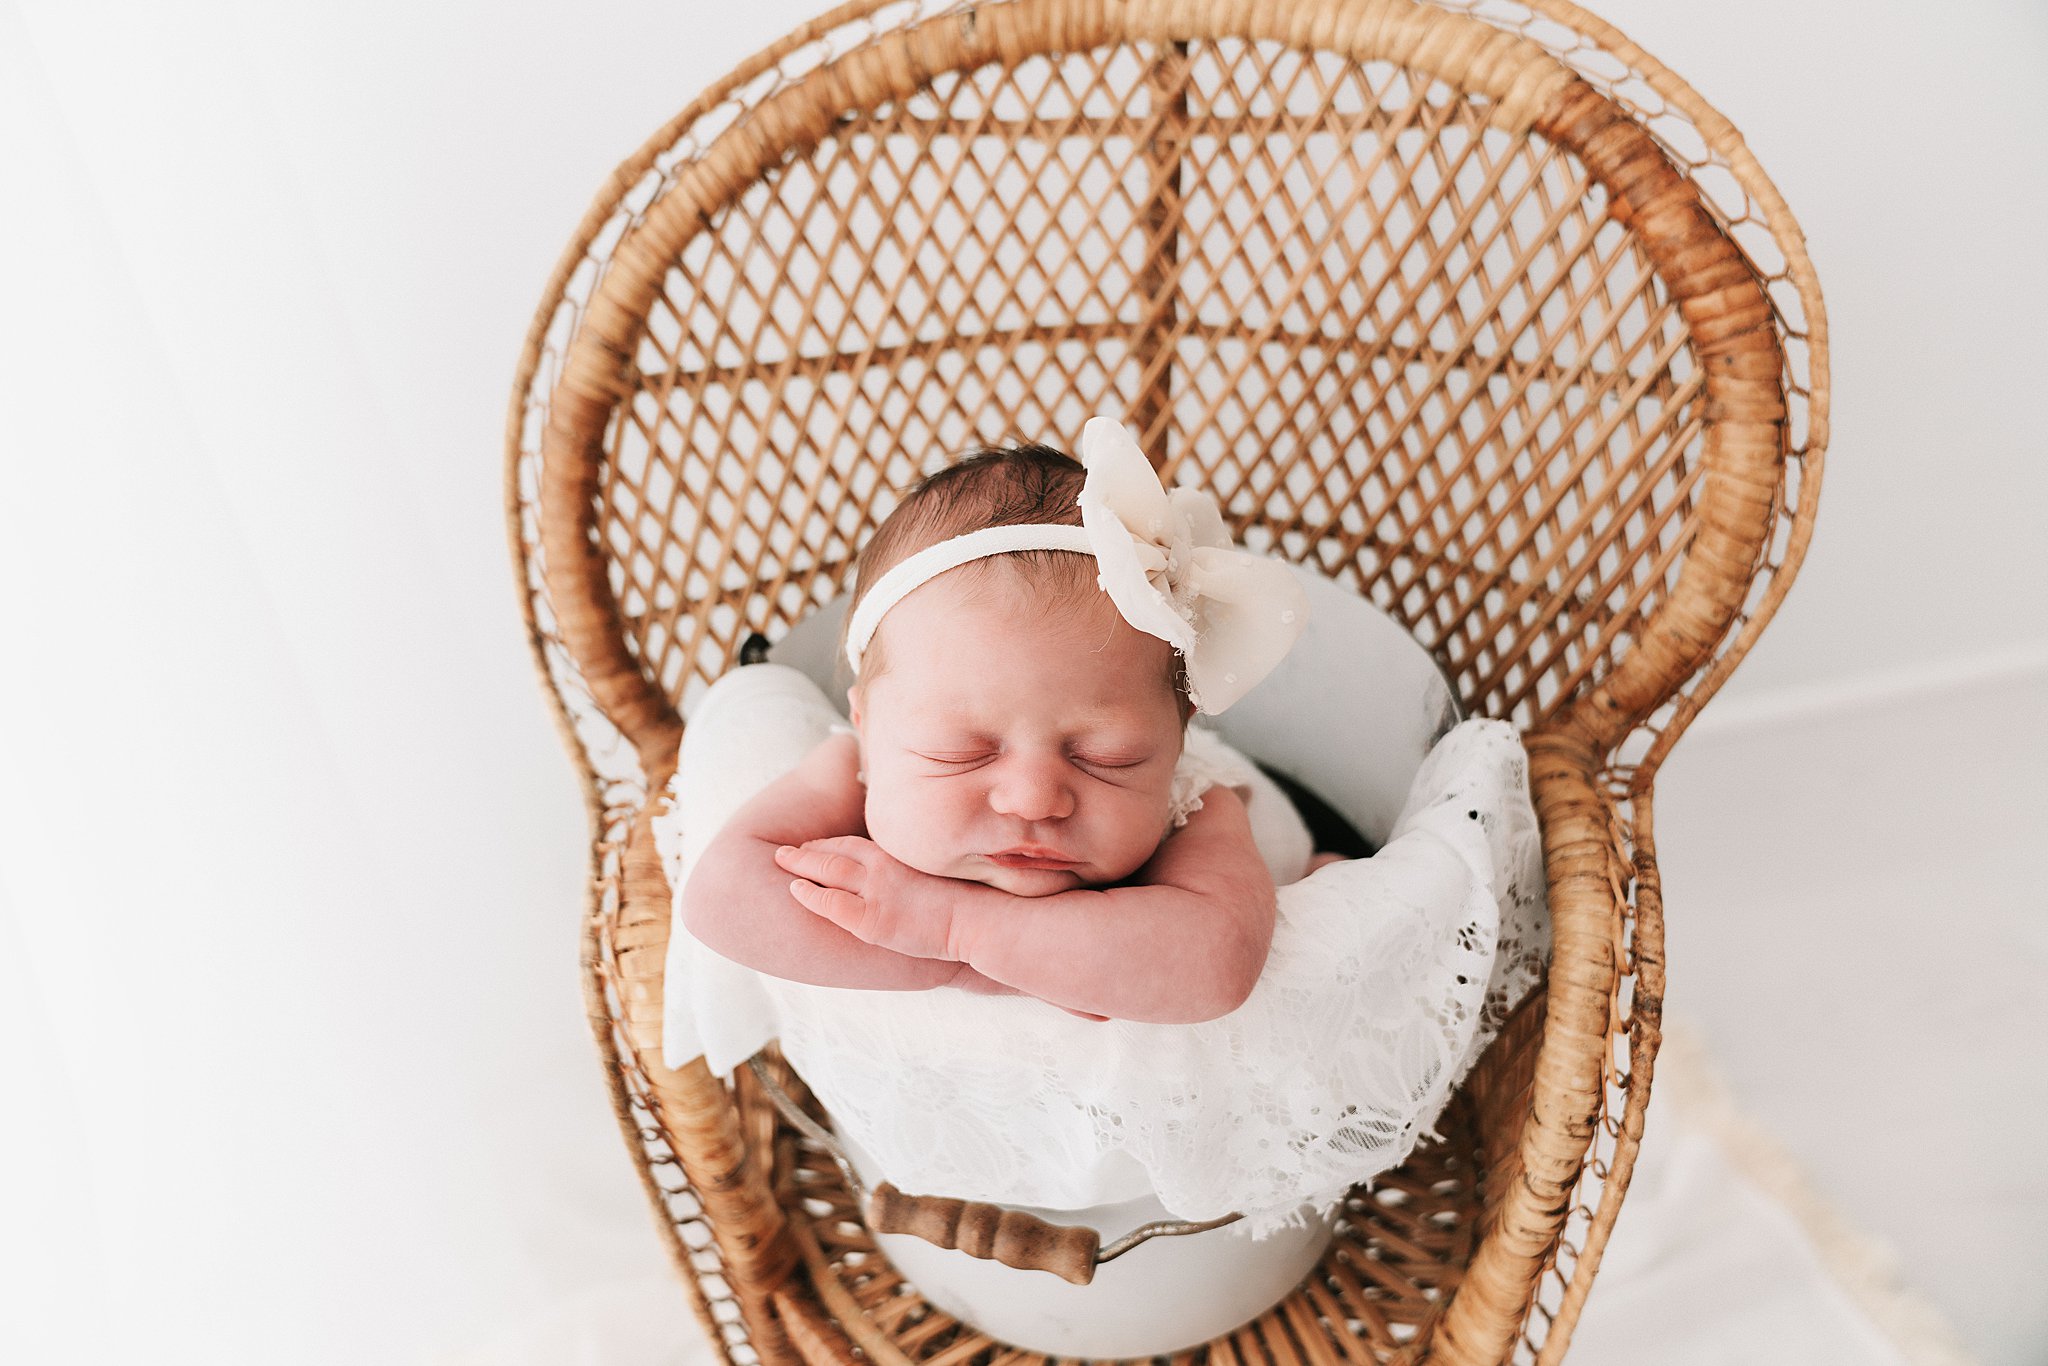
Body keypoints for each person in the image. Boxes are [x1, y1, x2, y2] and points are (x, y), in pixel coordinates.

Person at [680, 417, 1341, 1025]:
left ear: (1177, 739)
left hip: (1294, 852)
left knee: (1332, 908)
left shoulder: (1200, 808)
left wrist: (954, 928)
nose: (1033, 797)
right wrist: (991, 970)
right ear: (866, 727)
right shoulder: (846, 770)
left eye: (1107, 756)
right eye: (959, 751)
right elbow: (721, 898)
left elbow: (1215, 967)